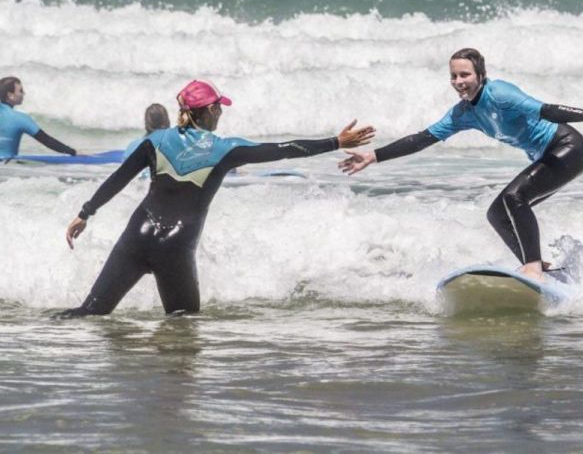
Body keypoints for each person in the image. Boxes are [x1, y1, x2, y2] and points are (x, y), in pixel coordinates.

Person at [61, 79, 375, 317]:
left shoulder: (156, 140)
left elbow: (119, 178)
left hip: (137, 234)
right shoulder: (226, 149)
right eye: (219, 107)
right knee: (183, 325)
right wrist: (335, 141)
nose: (221, 112)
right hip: (175, 246)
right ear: (210, 110)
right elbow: (284, 149)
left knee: (88, 313)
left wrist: (85, 213)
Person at [339, 48, 583, 280]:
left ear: (480, 74)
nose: (458, 81)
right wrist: (373, 156)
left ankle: (533, 267)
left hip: (568, 148)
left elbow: (545, 109)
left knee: (515, 198)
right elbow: (422, 139)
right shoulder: (463, 114)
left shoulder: (499, 93)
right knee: (498, 214)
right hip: (549, 156)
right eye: (453, 76)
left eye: (464, 74)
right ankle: (539, 267)